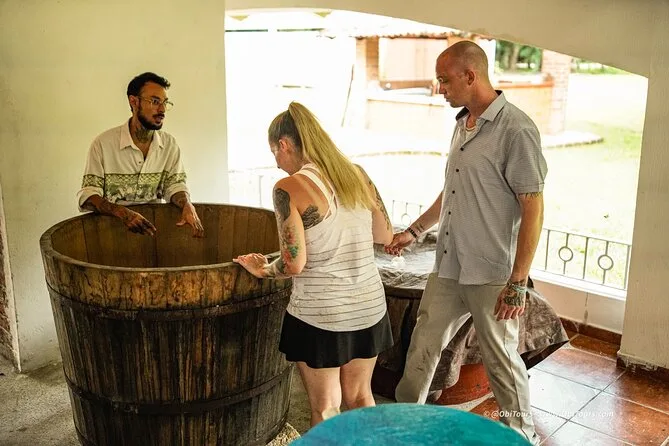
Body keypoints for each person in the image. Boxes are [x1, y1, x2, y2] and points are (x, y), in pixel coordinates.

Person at [385, 41, 547, 445]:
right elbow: (452, 190)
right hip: (449, 265)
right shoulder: (463, 123)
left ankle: (520, 433)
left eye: (444, 80)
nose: (439, 88)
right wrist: (414, 232)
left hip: (491, 272)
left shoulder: (516, 129)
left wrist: (518, 281)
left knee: (501, 360)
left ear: (470, 76)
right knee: (423, 344)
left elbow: (533, 207)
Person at [233, 102, 394, 427]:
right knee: (361, 396)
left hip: (321, 314)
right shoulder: (357, 174)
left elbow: (293, 263)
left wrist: (263, 268)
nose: (276, 163)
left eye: (274, 153)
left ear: (284, 145)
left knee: (326, 408)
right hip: (369, 307)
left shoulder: (288, 188)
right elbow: (384, 235)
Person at [76, 72, 204, 237]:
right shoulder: (103, 144)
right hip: (110, 237)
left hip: (151, 235)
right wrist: (124, 213)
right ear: (134, 102)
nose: (162, 109)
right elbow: (88, 196)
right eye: (155, 101)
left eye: (165, 102)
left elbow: (175, 186)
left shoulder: (169, 145)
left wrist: (187, 204)